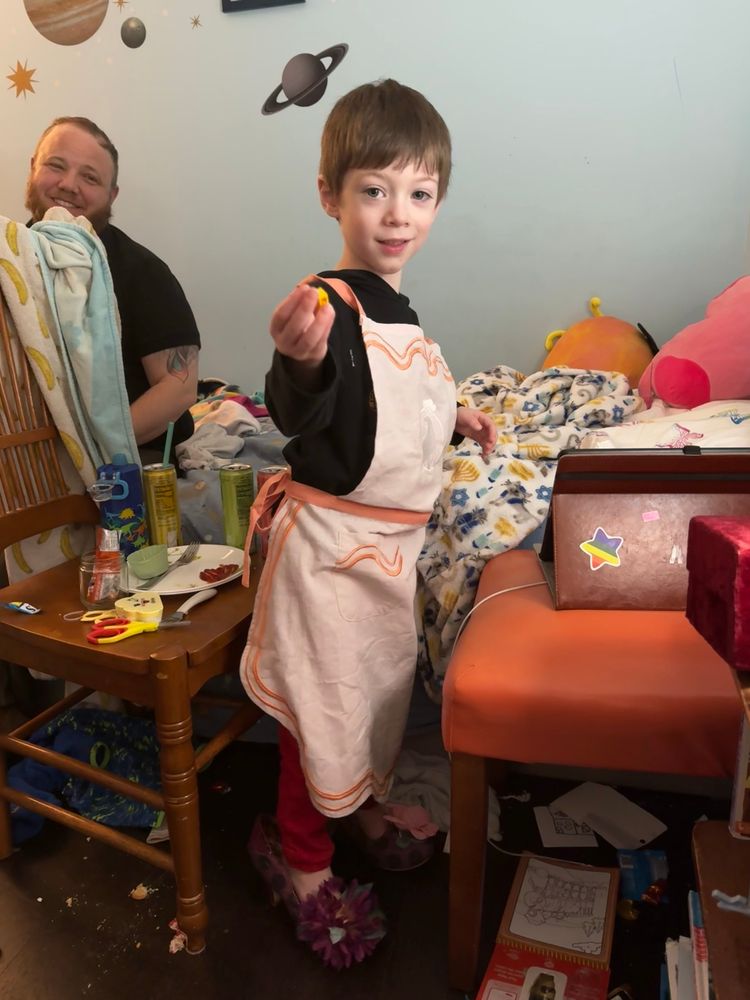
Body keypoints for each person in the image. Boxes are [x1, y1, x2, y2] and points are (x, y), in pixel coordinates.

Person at [240, 78, 496, 967]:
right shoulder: (328, 306)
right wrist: (297, 364)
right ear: (330, 196)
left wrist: (456, 415)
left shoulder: (404, 314)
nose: (398, 214)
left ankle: (353, 804)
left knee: (378, 700)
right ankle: (299, 854)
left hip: (388, 553)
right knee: (324, 708)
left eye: (419, 193)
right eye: (374, 190)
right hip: (328, 554)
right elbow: (308, 403)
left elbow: (411, 394)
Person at [25, 116, 200, 466]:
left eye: (90, 177)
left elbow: (178, 387)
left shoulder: (143, 272)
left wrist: (86, 452)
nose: (68, 184)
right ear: (32, 169)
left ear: (111, 195)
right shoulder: (8, 261)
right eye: (55, 166)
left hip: (128, 460)